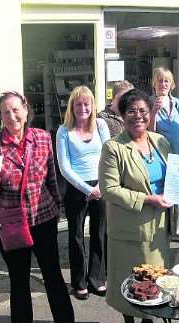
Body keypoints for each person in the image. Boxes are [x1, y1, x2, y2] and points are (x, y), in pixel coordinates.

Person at [0, 91, 81, 323]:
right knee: (19, 277)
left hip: (43, 218)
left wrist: (57, 208)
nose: (12, 116)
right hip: (12, 221)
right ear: (0, 117)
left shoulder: (43, 138)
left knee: (53, 275)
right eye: (5, 112)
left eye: (16, 109)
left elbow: (51, 180)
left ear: (26, 110)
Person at [98, 89, 172, 323]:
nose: (138, 116)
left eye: (143, 111)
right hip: (129, 228)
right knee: (129, 279)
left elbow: (171, 177)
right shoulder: (113, 147)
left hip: (158, 227)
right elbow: (109, 189)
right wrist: (147, 199)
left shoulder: (160, 141)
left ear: (150, 114)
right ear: (122, 114)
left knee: (153, 279)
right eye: (131, 111)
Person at [56, 85, 110, 300]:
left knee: (99, 233)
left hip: (101, 186)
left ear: (92, 105)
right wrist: (88, 189)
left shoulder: (101, 125)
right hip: (77, 189)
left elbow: (109, 156)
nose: (82, 108)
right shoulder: (63, 131)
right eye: (78, 104)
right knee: (76, 236)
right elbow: (64, 167)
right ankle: (79, 281)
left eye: (86, 103)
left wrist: (101, 186)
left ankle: (96, 278)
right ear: (72, 107)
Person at [150, 66, 179, 246]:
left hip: (176, 151)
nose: (163, 84)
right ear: (154, 83)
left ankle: (176, 230)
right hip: (159, 152)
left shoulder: (176, 103)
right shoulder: (149, 101)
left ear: (172, 84)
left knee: (176, 191)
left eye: (166, 81)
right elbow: (148, 131)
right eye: (159, 80)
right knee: (160, 190)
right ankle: (159, 231)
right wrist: (153, 111)